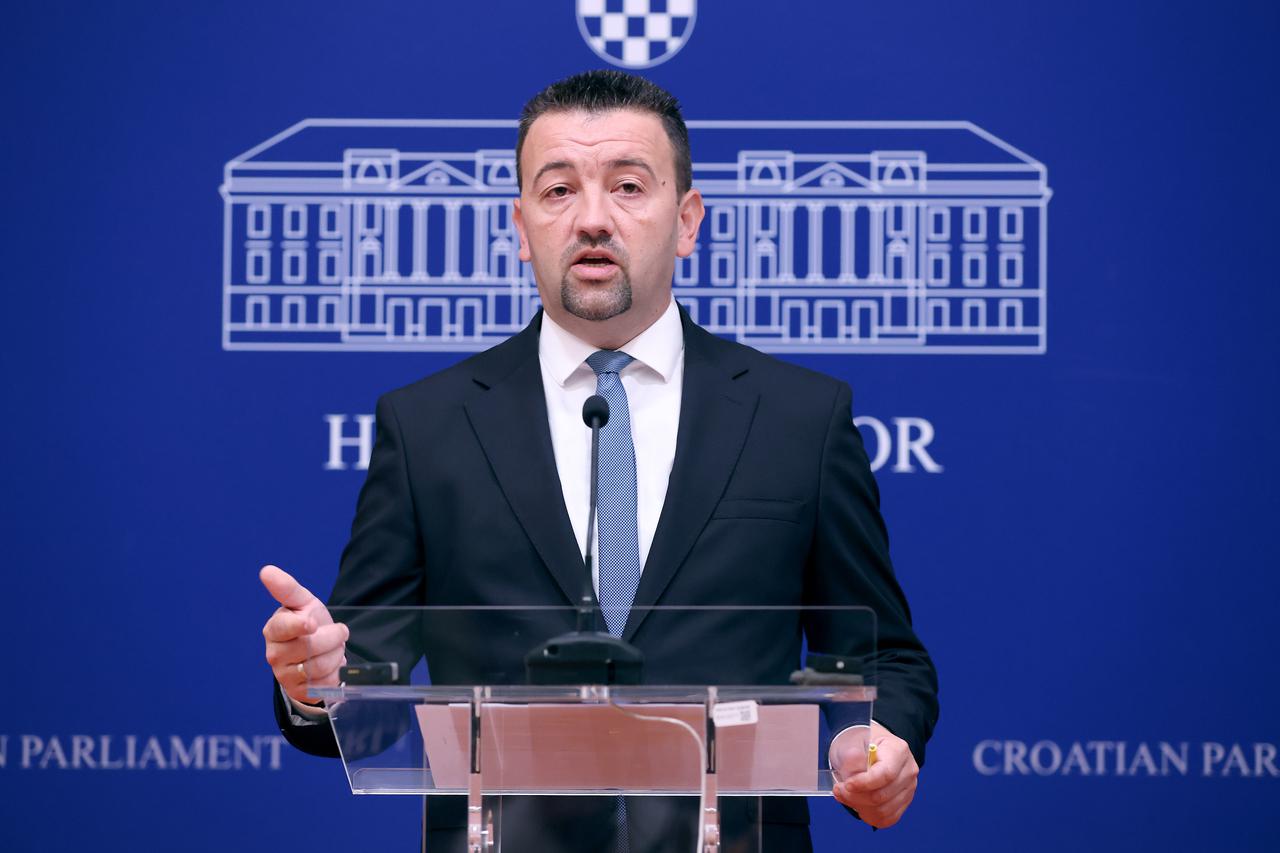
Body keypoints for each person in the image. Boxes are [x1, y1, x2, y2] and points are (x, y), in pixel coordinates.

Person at [260, 69, 938, 850]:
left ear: (687, 220)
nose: (591, 219)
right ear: (521, 227)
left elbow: (884, 657)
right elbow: (363, 704)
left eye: (627, 186)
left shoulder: (800, 419)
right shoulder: (426, 426)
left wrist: (874, 741)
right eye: (558, 190)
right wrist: (318, 684)